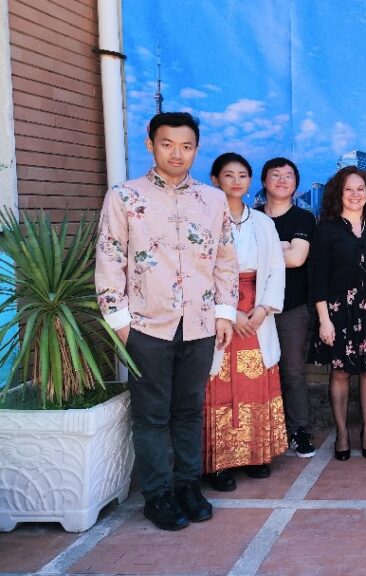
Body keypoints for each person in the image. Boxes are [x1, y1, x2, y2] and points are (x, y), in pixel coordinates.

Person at [96, 112, 238, 530]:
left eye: (186, 146)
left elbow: (225, 259)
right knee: (151, 414)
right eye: (167, 144)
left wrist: (224, 312)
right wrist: (121, 323)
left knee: (189, 410)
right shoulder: (125, 196)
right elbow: (109, 258)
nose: (177, 154)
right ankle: (157, 495)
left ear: (196, 149)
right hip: (145, 325)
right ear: (150, 145)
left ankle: (188, 485)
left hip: (200, 323)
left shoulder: (212, 199)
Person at [203, 153, 287, 491]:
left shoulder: (263, 223)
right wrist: (227, 311)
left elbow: (276, 269)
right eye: (229, 175)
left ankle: (256, 455)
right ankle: (219, 463)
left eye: (242, 175)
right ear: (215, 179)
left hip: (257, 314)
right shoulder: (204, 219)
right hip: (220, 314)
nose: (236, 181)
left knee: (256, 382)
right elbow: (199, 272)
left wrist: (264, 308)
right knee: (220, 386)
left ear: (250, 181)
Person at [309, 166, 366, 461]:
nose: (355, 194)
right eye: (348, 189)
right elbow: (318, 280)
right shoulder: (326, 230)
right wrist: (324, 320)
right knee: (341, 372)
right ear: (338, 194)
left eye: (361, 189)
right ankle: (343, 433)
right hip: (338, 312)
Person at [257, 158, 318, 458]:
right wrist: (283, 245)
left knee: (292, 370)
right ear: (264, 181)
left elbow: (297, 259)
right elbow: (239, 258)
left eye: (289, 176)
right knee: (257, 370)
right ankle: (261, 430)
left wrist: (264, 252)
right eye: (276, 175)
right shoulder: (252, 217)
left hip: (291, 306)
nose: (282, 180)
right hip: (254, 309)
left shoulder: (303, 218)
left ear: (296, 184)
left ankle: (299, 431)